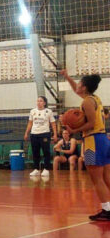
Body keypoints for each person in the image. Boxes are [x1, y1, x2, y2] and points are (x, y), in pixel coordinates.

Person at [60, 70, 110, 221]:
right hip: (102, 140)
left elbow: (91, 123)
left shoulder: (87, 102)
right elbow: (75, 89)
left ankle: (107, 210)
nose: (78, 85)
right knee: (107, 177)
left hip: (92, 141)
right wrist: (67, 77)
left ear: (84, 87)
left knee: (97, 179)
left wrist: (73, 130)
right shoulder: (94, 98)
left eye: (80, 83)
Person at [24, 96, 57, 178]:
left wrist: (55, 134)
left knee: (46, 152)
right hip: (34, 134)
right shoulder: (32, 111)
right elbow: (30, 123)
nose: (39, 102)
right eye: (38, 101)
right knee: (35, 152)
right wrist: (26, 133)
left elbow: (53, 123)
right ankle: (36, 169)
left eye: (41, 101)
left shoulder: (48, 111)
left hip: (45, 133)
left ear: (44, 103)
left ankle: (46, 169)